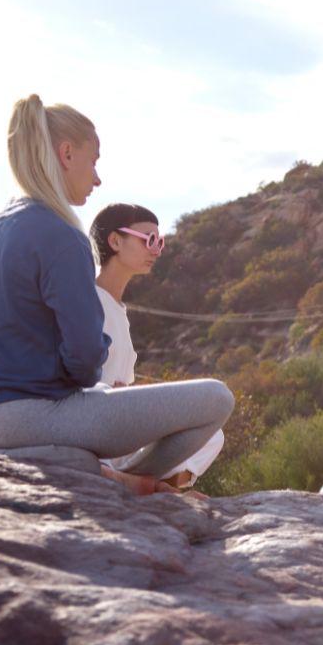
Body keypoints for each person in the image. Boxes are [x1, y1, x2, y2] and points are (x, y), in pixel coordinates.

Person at [0, 94, 234, 496]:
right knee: (215, 399)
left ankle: (86, 467)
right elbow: (85, 359)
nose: (97, 178)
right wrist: (88, 382)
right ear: (67, 153)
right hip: (24, 419)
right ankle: (119, 484)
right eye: (94, 160)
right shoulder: (62, 236)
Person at [89, 203, 225, 492]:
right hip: (91, 423)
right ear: (115, 241)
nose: (157, 249)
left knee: (213, 434)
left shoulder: (118, 311)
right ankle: (142, 484)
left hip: (119, 431)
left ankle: (148, 483)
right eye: (149, 239)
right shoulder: (88, 300)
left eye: (160, 241)